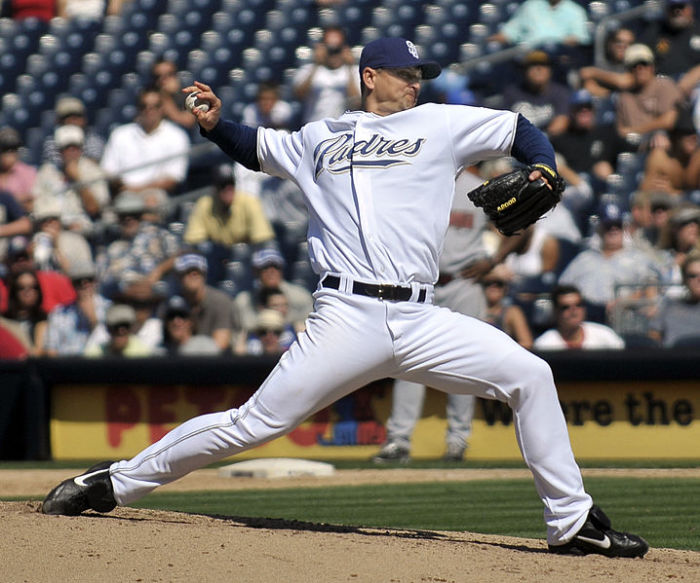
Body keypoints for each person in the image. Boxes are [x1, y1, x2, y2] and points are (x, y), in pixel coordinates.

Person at [41, 36, 648, 559]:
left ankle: (572, 525)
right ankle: (113, 484)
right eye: (407, 75)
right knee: (254, 423)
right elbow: (255, 147)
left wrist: (542, 168)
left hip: (419, 315)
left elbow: (519, 129)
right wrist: (213, 124)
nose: (416, 84)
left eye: (421, 75)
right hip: (345, 316)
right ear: (370, 77)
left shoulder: (438, 123)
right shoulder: (316, 137)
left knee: (531, 375)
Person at [373, 168, 529, 463]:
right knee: (406, 361)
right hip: (420, 283)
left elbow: (524, 224)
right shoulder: (416, 180)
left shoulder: (478, 186)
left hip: (464, 281)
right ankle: (399, 440)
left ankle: (458, 440)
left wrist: (494, 260)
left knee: (465, 365)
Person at [559, 203, 662, 320]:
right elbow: (563, 288)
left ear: (624, 228)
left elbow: (652, 291)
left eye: (617, 225)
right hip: (586, 318)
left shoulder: (639, 259)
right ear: (599, 228)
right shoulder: (584, 259)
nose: (613, 229)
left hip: (624, 320)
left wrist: (625, 302)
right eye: (608, 226)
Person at [100, 87, 191, 212]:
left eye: (155, 106)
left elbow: (173, 179)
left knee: (152, 203)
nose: (149, 110)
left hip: (156, 193)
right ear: (138, 108)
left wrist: (137, 189)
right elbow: (109, 171)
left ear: (162, 108)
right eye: (144, 106)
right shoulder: (120, 134)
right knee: (122, 206)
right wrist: (124, 188)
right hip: (124, 194)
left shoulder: (177, 136)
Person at [183, 163, 276, 283]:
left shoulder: (248, 202)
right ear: (215, 188)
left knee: (247, 254)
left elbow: (262, 240)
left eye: (230, 184)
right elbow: (193, 241)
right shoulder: (205, 204)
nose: (227, 189)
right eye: (222, 186)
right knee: (205, 251)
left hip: (247, 261)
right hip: (217, 261)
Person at [96, 192, 180, 301]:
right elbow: (104, 283)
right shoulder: (110, 248)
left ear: (141, 215)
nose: (129, 219)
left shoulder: (159, 235)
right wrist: (131, 291)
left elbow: (180, 256)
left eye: (134, 214)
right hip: (125, 301)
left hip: (157, 297)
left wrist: (158, 271)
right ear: (117, 218)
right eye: (123, 215)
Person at [32, 125, 109, 235]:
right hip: (53, 227)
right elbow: (37, 203)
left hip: (86, 229)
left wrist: (77, 178)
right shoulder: (47, 171)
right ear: (59, 151)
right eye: (66, 148)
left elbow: (94, 209)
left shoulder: (93, 171)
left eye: (75, 147)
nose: (71, 152)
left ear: (82, 149)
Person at [615, 44, 683, 151]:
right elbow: (621, 131)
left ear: (652, 66)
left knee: (660, 140)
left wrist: (634, 130)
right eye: (634, 65)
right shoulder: (624, 96)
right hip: (635, 149)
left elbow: (669, 121)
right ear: (628, 69)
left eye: (644, 63)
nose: (640, 68)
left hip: (665, 147)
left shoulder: (664, 85)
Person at [234, 247, 313, 333]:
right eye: (265, 267)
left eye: (276, 266)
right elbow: (239, 334)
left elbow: (310, 330)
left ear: (282, 269)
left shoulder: (301, 297)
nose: (271, 271)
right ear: (255, 271)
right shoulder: (243, 301)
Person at [174, 252, 241, 352]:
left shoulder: (220, 301)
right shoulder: (174, 304)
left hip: (218, 363)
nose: (193, 275)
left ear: (204, 275)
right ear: (179, 277)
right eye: (187, 272)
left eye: (197, 272)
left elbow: (220, 344)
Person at [292, 26, 360, 123]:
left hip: (343, 129)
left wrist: (349, 67)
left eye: (337, 50)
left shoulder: (353, 72)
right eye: (330, 50)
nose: (333, 55)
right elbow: (299, 96)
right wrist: (316, 65)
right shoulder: (308, 70)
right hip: (314, 127)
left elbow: (356, 103)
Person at [43, 261, 110, 356]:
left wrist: (93, 319)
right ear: (72, 284)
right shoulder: (59, 313)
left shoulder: (109, 308)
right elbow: (51, 349)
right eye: (79, 281)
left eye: (89, 280)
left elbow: (111, 342)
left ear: (96, 281)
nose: (84, 284)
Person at [533, 285, 626, 350]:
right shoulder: (544, 344)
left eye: (578, 305)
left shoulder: (605, 334)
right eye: (565, 307)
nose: (573, 311)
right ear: (556, 311)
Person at [501, 50, 571, 137]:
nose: (538, 69)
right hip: (519, 143)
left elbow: (561, 123)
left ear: (550, 71)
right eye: (532, 65)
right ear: (524, 71)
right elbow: (506, 124)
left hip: (551, 144)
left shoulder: (560, 92)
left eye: (543, 65)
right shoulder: (512, 93)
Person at [487, 0, 591, 49]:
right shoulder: (530, 6)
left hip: (559, 59)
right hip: (527, 58)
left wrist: (551, 43)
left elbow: (580, 39)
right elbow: (508, 33)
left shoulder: (576, 11)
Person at [638, 0, 700, 80]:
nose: (677, 11)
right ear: (666, 9)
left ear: (690, 8)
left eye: (681, 7)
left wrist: (691, 78)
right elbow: (638, 53)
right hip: (663, 84)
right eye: (673, 7)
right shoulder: (656, 30)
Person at [648, 251, 700, 346]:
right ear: (684, 279)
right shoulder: (669, 306)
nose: (698, 280)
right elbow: (653, 337)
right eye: (692, 275)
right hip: (674, 358)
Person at [30, 197, 93, 274]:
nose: (48, 224)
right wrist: (31, 254)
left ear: (59, 221)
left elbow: (72, 272)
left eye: (52, 219)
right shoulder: (36, 242)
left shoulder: (75, 240)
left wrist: (56, 246)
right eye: (43, 221)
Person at [42, 97, 105, 166]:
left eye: (76, 116)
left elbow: (94, 163)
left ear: (84, 119)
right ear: (59, 121)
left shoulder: (92, 139)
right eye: (67, 117)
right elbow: (54, 165)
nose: (72, 121)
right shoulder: (52, 141)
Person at [482, 265, 534, 349]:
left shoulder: (512, 312)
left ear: (505, 288)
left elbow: (527, 343)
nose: (493, 287)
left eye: (498, 284)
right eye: (488, 284)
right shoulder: (473, 310)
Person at [577, 27, 636, 98]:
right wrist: (611, 95)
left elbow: (624, 82)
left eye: (629, 43)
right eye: (618, 41)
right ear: (609, 43)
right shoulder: (600, 60)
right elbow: (588, 85)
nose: (623, 46)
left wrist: (594, 73)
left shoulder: (636, 62)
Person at [2, 268, 48, 355]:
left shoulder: (46, 320)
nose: (28, 292)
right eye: (21, 288)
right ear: (14, 291)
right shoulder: (4, 321)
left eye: (33, 287)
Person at [156, 295, 221, 356]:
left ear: (190, 321)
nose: (176, 321)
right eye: (171, 316)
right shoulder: (160, 352)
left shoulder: (206, 347)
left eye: (182, 316)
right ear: (166, 323)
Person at [84, 304, 153, 357]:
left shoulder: (142, 353)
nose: (120, 331)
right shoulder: (95, 354)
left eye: (125, 326)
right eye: (115, 327)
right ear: (107, 329)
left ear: (132, 328)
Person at [150, 59, 197, 131]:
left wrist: (166, 96)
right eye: (158, 76)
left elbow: (188, 122)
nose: (163, 80)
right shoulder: (151, 97)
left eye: (169, 74)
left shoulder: (189, 95)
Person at [0, 127, 36, 212]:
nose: (10, 153)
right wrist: (18, 198)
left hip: (21, 216)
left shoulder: (28, 172)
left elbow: (31, 202)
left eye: (13, 149)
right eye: (5, 149)